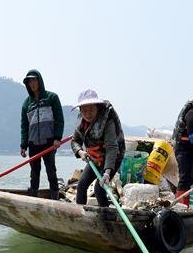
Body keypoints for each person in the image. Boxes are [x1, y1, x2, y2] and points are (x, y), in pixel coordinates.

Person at [70, 89, 125, 207]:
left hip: (112, 157)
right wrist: (81, 152)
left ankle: (105, 218)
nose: (88, 114)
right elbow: (75, 141)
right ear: (80, 111)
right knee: (81, 185)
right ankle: (80, 215)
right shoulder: (81, 122)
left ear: (97, 107)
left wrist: (107, 173)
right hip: (94, 158)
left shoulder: (107, 119)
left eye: (91, 109)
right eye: (84, 110)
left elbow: (112, 147)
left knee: (99, 189)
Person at [20, 69, 64, 200]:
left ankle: (54, 197)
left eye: (34, 80)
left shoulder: (52, 98)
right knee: (34, 172)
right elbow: (24, 126)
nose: (32, 83)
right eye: (29, 81)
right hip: (33, 143)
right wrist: (23, 145)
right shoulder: (26, 104)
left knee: (51, 170)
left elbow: (59, 119)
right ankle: (33, 196)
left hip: (49, 141)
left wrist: (57, 138)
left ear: (39, 80)